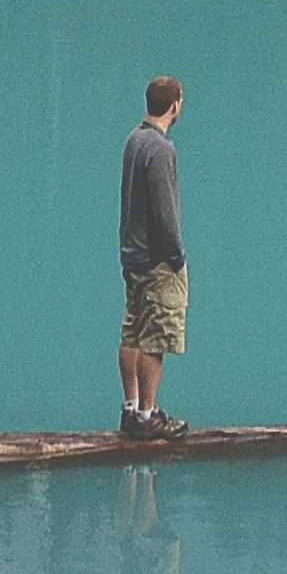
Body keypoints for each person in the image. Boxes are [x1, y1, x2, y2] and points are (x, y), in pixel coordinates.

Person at [117, 76, 189, 439]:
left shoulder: (134, 139)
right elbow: (166, 212)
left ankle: (130, 409)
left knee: (133, 329)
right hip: (157, 260)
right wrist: (177, 258)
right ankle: (149, 416)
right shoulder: (162, 149)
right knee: (155, 338)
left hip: (132, 255)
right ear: (174, 105)